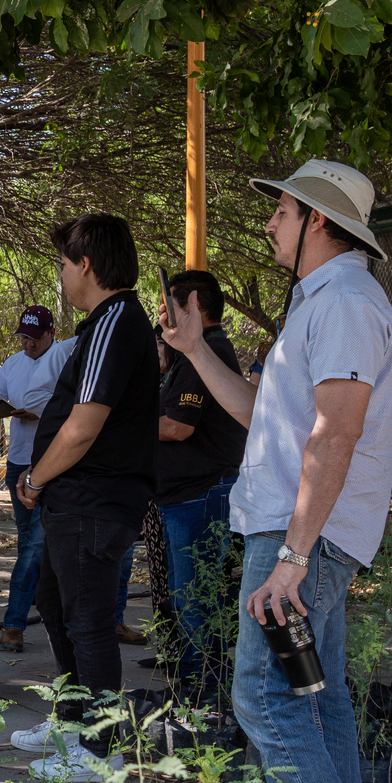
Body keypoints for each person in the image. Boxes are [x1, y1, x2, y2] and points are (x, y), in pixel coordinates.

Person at [162, 159, 392, 783]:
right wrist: (196, 351)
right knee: (310, 692)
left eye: (282, 212)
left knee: (263, 696)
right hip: (298, 532)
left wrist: (294, 555)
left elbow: (336, 432)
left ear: (318, 222)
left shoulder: (346, 304)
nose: (269, 224)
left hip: (305, 536)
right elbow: (269, 412)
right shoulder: (323, 302)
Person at [7, 214, 154, 783]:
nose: (62, 275)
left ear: (86, 264)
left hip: (93, 499)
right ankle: (73, 718)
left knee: (90, 620)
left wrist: (36, 479)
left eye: (64, 264)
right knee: (56, 600)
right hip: (79, 501)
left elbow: (83, 425)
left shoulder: (115, 321)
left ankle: (101, 749)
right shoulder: (104, 323)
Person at [154, 270, 248, 706]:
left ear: (193, 305)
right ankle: (198, 680)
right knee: (186, 594)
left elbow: (176, 427)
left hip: (201, 493)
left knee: (195, 598)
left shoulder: (205, 350)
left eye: (169, 303)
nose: (160, 312)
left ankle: (205, 688)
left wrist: (115, 427)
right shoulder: (191, 354)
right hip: (183, 495)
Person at [0, 305, 56, 652]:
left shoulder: (60, 361)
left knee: (33, 544)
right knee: (26, 538)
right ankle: (36, 596)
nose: (28, 344)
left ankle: (13, 622)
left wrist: (39, 412)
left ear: (50, 333)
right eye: (24, 338)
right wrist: (3, 406)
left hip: (49, 461)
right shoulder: (13, 363)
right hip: (18, 460)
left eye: (35, 338)